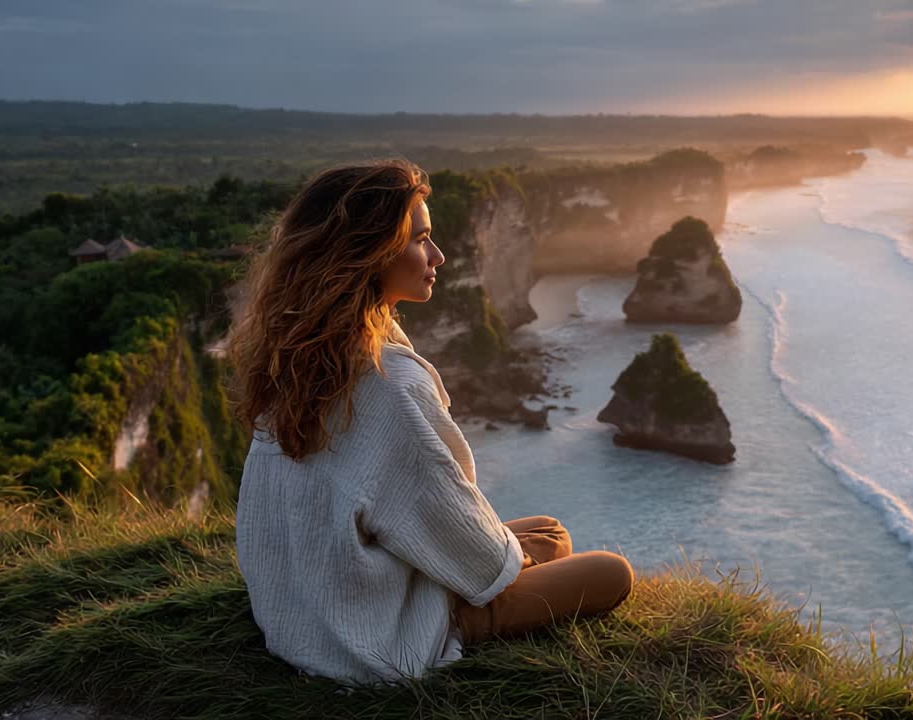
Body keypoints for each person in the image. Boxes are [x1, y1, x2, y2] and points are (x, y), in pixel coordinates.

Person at [226, 160, 635, 686]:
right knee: (609, 572)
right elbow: (477, 551)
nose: (437, 256)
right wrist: (492, 564)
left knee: (548, 533)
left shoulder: (291, 361)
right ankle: (457, 619)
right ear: (368, 254)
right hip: (374, 635)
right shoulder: (389, 383)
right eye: (420, 239)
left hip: (302, 613)